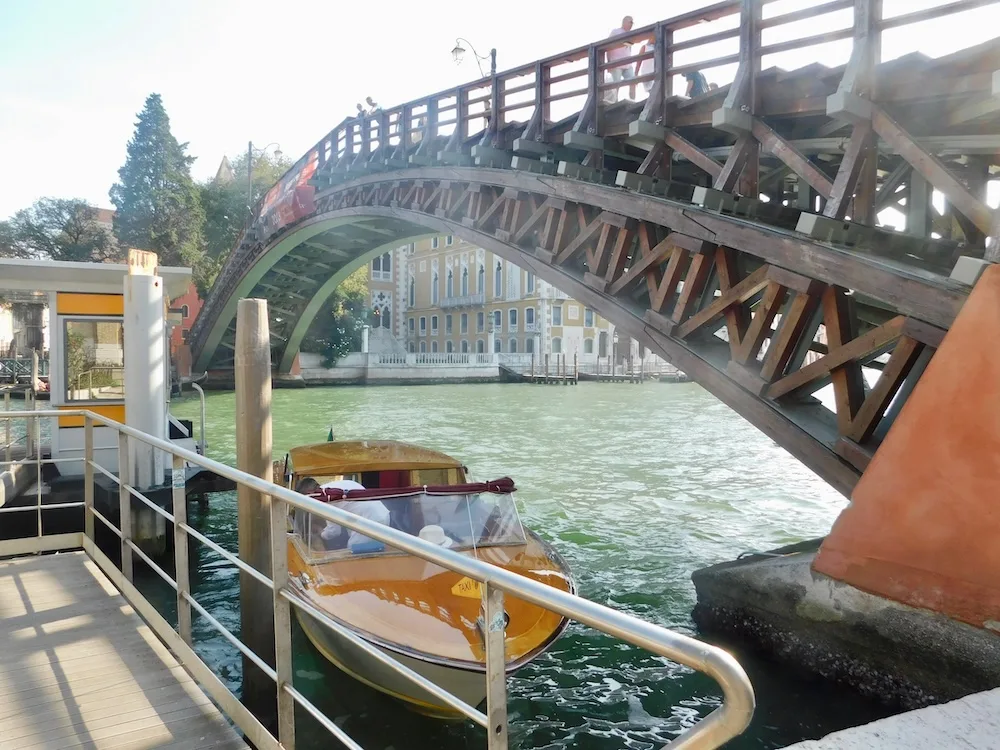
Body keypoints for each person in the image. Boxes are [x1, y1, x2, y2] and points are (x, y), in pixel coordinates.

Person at [319, 479, 391, 550]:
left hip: (368, 522)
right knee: (377, 553)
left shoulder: (324, 498)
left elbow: (334, 531)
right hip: (382, 514)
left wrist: (319, 533)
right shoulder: (335, 485)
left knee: (353, 553)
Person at [605, 15, 636, 104]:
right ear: (625, 22)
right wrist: (609, 63)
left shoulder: (630, 34)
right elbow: (607, 46)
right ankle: (615, 103)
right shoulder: (615, 32)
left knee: (633, 81)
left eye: (632, 23)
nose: (631, 25)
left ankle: (633, 101)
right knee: (616, 85)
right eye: (630, 22)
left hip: (627, 64)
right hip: (616, 63)